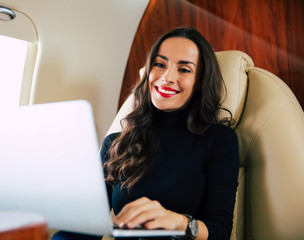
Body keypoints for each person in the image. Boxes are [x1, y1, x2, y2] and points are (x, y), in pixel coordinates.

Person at [53, 27, 239, 240]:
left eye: (184, 69)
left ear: (199, 83)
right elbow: (85, 229)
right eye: (160, 65)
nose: (167, 77)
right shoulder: (115, 144)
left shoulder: (219, 140)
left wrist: (179, 222)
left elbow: (220, 231)